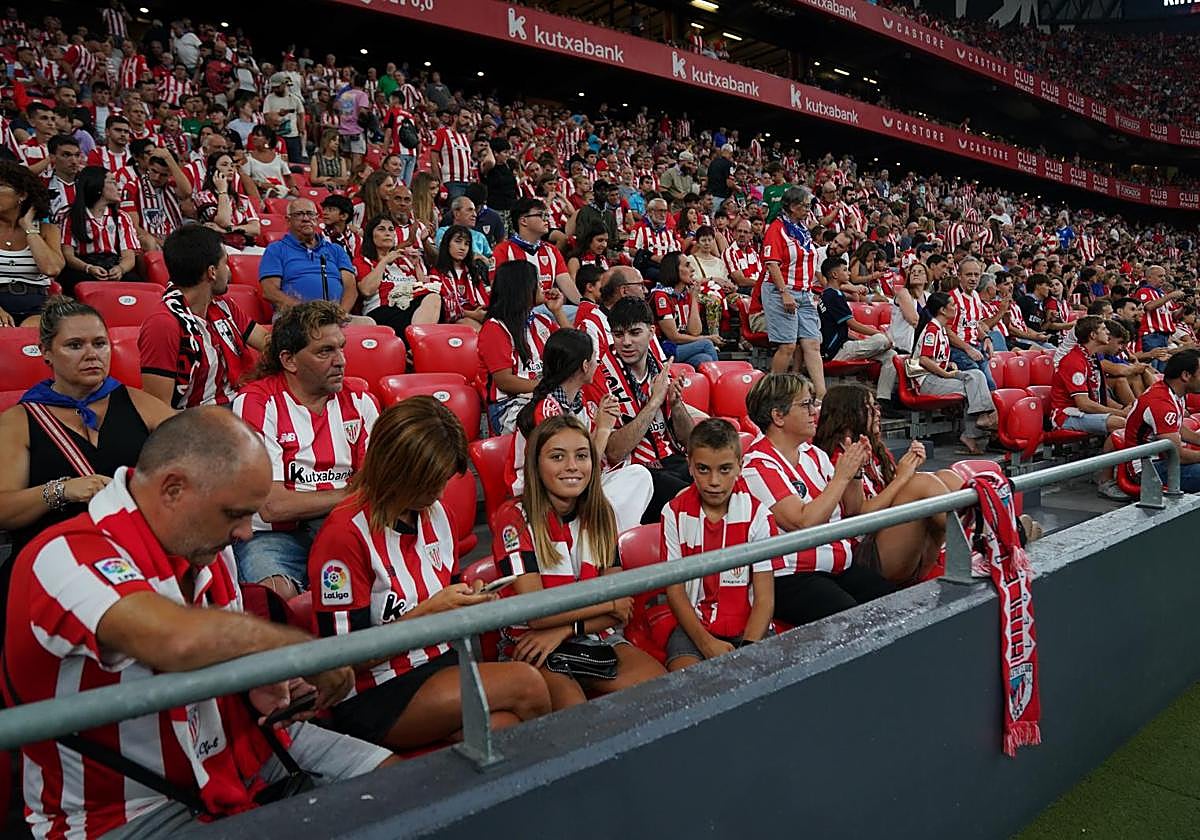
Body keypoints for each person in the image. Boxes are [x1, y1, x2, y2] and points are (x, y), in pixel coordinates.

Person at [3, 407, 396, 838]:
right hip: (127, 811)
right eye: (235, 514)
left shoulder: (204, 543)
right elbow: (177, 641)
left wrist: (269, 685)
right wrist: (297, 654)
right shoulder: (64, 555)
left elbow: (222, 648)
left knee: (412, 792)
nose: (247, 533)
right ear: (173, 489)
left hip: (245, 752)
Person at [309, 396, 551, 748]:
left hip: (441, 664)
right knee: (526, 685)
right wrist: (429, 614)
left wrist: (468, 600)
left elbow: (447, 591)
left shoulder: (439, 514)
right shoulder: (344, 534)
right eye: (428, 482)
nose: (437, 492)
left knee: (502, 728)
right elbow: (342, 661)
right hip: (377, 690)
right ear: (395, 469)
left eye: (441, 481)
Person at [492, 414, 667, 710]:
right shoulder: (514, 518)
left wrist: (566, 628)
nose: (572, 466)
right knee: (574, 714)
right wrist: (607, 604)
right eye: (557, 457)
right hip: (532, 643)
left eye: (582, 455)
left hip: (587, 634)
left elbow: (621, 608)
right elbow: (536, 613)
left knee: (659, 690)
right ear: (536, 465)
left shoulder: (602, 514)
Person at [233, 301, 380, 599]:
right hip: (274, 537)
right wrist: (350, 494)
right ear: (289, 361)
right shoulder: (257, 403)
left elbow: (377, 483)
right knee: (276, 597)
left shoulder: (361, 400)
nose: (340, 360)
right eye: (325, 351)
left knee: (382, 581)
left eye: (341, 348)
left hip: (345, 526)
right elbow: (273, 506)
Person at [740, 373, 895, 625]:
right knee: (854, 620)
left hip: (835, 566)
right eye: (805, 405)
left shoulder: (814, 454)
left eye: (813, 403)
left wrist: (855, 471)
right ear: (777, 416)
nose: (815, 411)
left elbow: (853, 509)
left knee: (892, 601)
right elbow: (802, 522)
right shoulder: (757, 465)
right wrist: (841, 478)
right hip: (790, 576)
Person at [813, 385, 985, 585]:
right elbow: (859, 515)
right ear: (848, 415)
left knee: (945, 476)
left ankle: (988, 529)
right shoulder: (838, 457)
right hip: (863, 554)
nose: (878, 412)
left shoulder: (875, 449)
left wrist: (907, 469)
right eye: (869, 408)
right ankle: (982, 539)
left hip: (894, 543)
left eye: (876, 405)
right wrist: (903, 477)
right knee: (921, 483)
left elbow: (893, 494)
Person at [511, 328, 653, 529]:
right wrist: (603, 429)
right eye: (595, 358)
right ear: (585, 365)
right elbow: (572, 466)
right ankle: (600, 545)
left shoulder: (579, 401)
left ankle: (606, 541)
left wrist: (602, 421)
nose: (598, 363)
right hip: (544, 491)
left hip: (574, 483)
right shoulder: (546, 410)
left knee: (639, 475)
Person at [662, 419, 775, 670]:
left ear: (739, 467)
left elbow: (765, 598)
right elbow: (675, 591)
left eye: (724, 470)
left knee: (764, 679)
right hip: (693, 628)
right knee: (688, 683)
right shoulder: (673, 513)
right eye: (703, 469)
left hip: (748, 626)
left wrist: (748, 651)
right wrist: (706, 644)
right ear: (689, 466)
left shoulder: (759, 515)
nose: (714, 481)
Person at [139, 225, 270, 408]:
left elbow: (267, 341)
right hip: (199, 423)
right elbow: (157, 409)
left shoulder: (224, 306)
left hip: (240, 405)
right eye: (225, 263)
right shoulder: (163, 323)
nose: (229, 271)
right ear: (212, 272)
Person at [593, 296, 696, 517]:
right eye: (619, 335)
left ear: (651, 332)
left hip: (672, 460)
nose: (626, 342)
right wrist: (655, 402)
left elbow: (688, 441)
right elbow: (614, 452)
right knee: (693, 501)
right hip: (632, 473)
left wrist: (676, 405)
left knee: (721, 485)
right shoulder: (599, 377)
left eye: (634, 333)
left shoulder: (660, 368)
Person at [477, 260, 569, 434]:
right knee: (557, 430)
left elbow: (576, 348)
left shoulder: (541, 321)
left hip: (543, 396)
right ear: (523, 288)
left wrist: (558, 311)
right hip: (509, 406)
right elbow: (504, 381)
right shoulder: (494, 328)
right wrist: (547, 387)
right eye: (537, 281)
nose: (542, 285)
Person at [910, 292, 998, 455]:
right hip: (926, 381)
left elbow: (936, 357)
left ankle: (983, 417)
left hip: (939, 376)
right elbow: (924, 360)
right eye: (952, 305)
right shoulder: (931, 329)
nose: (956, 307)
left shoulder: (941, 329)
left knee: (977, 375)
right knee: (972, 388)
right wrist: (946, 373)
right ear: (943, 310)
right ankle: (975, 429)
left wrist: (949, 364)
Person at [761, 187, 824, 396]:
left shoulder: (802, 229)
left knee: (813, 344)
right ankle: (771, 392)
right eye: (805, 206)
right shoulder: (776, 229)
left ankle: (822, 395)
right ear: (792, 206)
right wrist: (784, 292)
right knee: (787, 346)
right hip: (781, 291)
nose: (808, 210)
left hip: (804, 293)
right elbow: (772, 264)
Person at [817, 257, 898, 401]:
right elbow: (852, 324)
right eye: (845, 270)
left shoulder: (831, 294)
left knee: (890, 355)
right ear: (834, 275)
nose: (848, 273)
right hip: (835, 351)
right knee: (881, 339)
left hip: (842, 346)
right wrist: (880, 334)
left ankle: (883, 399)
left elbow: (844, 329)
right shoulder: (833, 295)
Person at [259, 198, 357, 314]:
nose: (306, 219)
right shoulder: (276, 249)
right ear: (288, 220)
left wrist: (341, 313)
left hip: (335, 316)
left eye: (310, 214)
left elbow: (351, 289)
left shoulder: (335, 249)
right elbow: (270, 291)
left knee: (368, 323)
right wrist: (306, 311)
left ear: (316, 218)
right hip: (294, 315)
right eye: (299, 214)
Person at [1124, 348, 1200, 493]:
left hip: (1163, 462)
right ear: (1185, 375)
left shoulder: (1174, 392)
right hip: (1148, 469)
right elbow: (1178, 456)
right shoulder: (1160, 403)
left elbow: (1178, 429)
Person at [353, 214, 442, 335]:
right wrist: (384, 261)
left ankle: (414, 344)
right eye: (381, 229)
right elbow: (367, 290)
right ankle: (417, 344)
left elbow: (421, 287)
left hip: (409, 309)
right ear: (370, 235)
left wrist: (416, 266)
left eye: (391, 229)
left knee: (434, 299)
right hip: (381, 310)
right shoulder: (363, 260)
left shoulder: (403, 260)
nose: (387, 233)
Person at [0, 160, 64, 325]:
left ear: (22, 195)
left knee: (36, 334)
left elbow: (51, 268)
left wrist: (28, 227)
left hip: (36, 304)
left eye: (1, 186)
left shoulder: (47, 230)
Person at [493, 196, 577, 317]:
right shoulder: (503, 250)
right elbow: (500, 292)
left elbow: (568, 287)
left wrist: (587, 304)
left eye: (547, 216)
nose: (546, 219)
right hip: (518, 312)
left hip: (549, 309)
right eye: (541, 215)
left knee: (586, 313)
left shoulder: (551, 250)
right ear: (523, 221)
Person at [59, 166, 138, 292]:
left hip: (112, 264)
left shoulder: (121, 217)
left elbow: (129, 256)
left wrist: (120, 269)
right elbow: (68, 255)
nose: (118, 188)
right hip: (83, 267)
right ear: (97, 186)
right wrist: (88, 268)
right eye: (112, 182)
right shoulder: (71, 216)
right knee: (73, 281)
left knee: (134, 282)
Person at [1050, 315, 1128, 439]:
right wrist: (1121, 413)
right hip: (1066, 416)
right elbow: (1084, 404)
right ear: (1093, 335)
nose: (1108, 332)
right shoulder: (1074, 361)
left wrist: (1126, 410)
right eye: (1103, 329)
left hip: (1082, 413)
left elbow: (1098, 396)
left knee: (1131, 419)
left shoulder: (1091, 358)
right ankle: (1107, 458)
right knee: (1120, 423)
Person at [650, 252, 721, 366]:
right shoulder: (660, 296)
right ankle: (720, 382)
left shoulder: (686, 294)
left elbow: (695, 331)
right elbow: (673, 337)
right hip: (664, 348)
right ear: (674, 270)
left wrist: (694, 298)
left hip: (682, 347)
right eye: (687, 265)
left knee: (704, 359)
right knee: (706, 344)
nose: (692, 269)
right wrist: (708, 337)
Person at [193, 151, 262, 248]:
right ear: (213, 170)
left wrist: (228, 230)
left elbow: (255, 230)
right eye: (224, 165)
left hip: (245, 245)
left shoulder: (243, 199)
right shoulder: (203, 197)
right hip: (218, 246)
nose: (230, 169)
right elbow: (224, 221)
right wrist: (222, 191)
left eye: (232, 165)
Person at [429, 222, 489, 330]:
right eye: (458, 242)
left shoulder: (473, 272)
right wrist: (472, 314)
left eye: (467, 244)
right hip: (452, 322)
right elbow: (443, 308)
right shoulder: (436, 272)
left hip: (478, 317)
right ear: (447, 244)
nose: (463, 248)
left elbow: (485, 300)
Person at [243, 124, 297, 200]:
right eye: (253, 135)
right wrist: (260, 184)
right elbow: (245, 179)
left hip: (282, 192)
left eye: (258, 135)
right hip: (262, 195)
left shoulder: (279, 157)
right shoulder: (248, 158)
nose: (254, 137)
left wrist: (293, 188)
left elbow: (288, 177)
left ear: (267, 140)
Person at [889, 261, 929, 355]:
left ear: (926, 279)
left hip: (922, 347)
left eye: (920, 272)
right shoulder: (903, 293)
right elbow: (914, 320)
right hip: (901, 348)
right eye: (913, 272)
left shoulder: (929, 297)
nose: (915, 273)